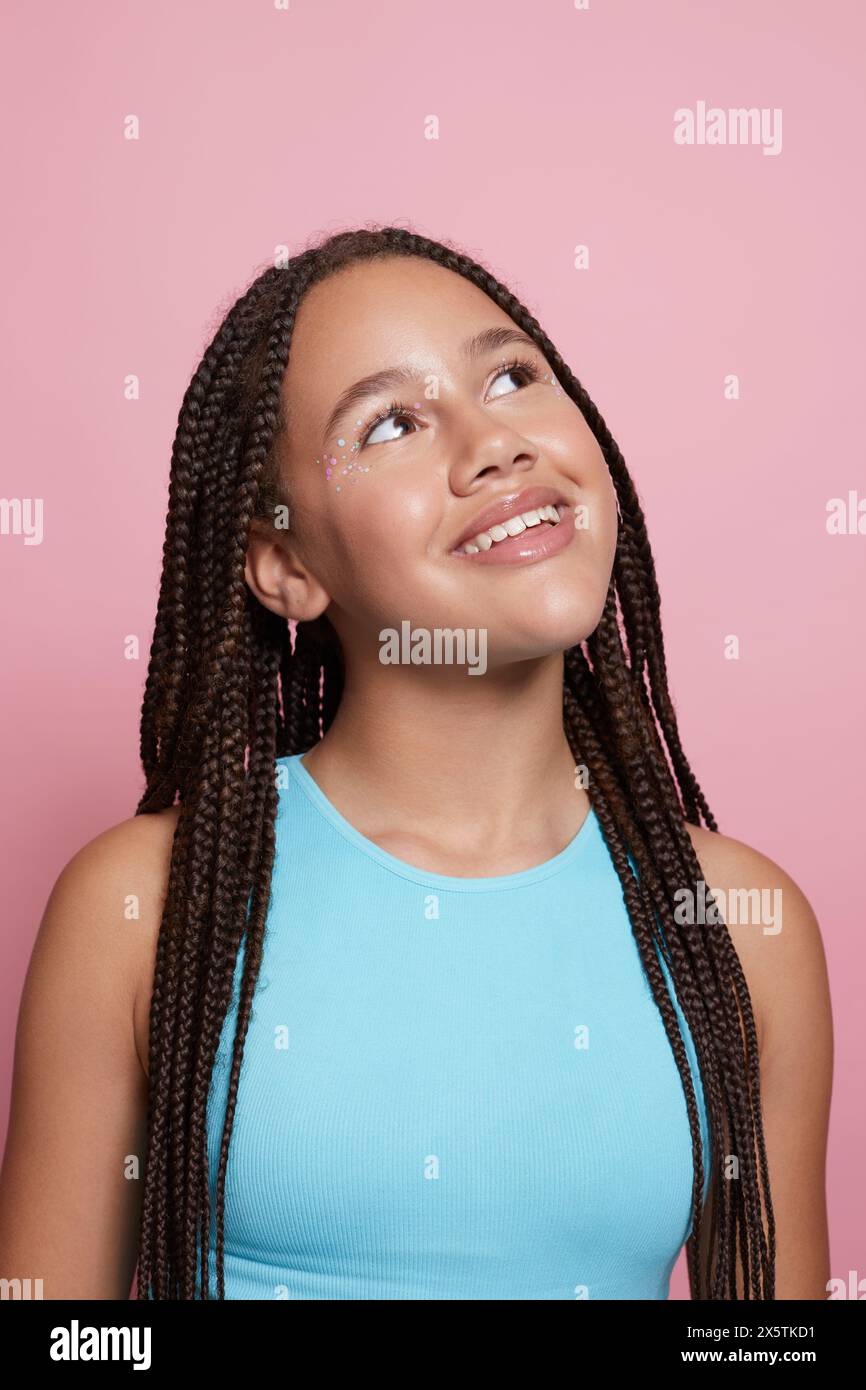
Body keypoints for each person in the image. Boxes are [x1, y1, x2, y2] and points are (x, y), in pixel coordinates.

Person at [0, 226, 832, 1300]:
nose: (493, 443)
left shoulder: (735, 929)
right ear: (286, 562)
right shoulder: (143, 906)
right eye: (390, 421)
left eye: (511, 375)